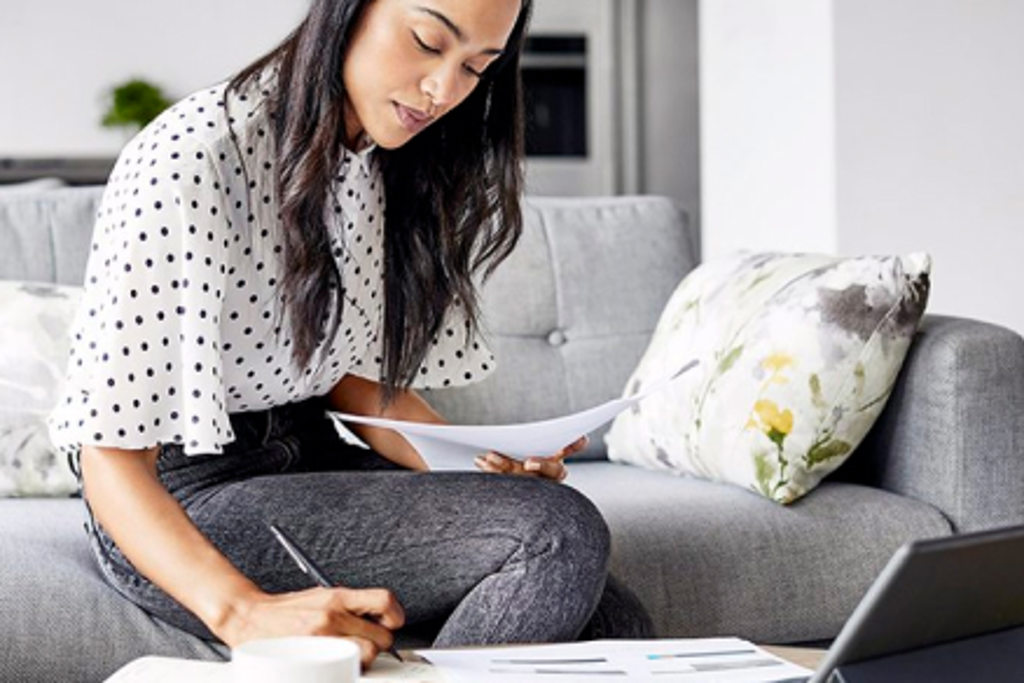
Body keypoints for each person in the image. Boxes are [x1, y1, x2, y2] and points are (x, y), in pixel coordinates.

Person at [48, 0, 653, 669]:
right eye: (428, 42)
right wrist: (239, 609)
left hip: (307, 456)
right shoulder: (194, 156)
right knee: (558, 532)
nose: (444, 90)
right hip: (179, 499)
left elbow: (352, 381)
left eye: (477, 69)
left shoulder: (382, 155)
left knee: (611, 614)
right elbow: (108, 453)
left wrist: (482, 462)